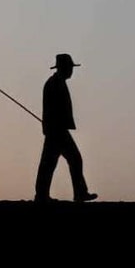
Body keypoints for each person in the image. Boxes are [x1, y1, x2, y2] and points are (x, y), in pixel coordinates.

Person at [35, 53, 97, 202]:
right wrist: (52, 126)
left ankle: (42, 195)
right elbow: (52, 109)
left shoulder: (55, 82)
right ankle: (79, 193)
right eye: (70, 68)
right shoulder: (55, 83)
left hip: (55, 130)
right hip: (57, 130)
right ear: (64, 68)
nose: (71, 71)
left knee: (49, 163)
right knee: (73, 159)